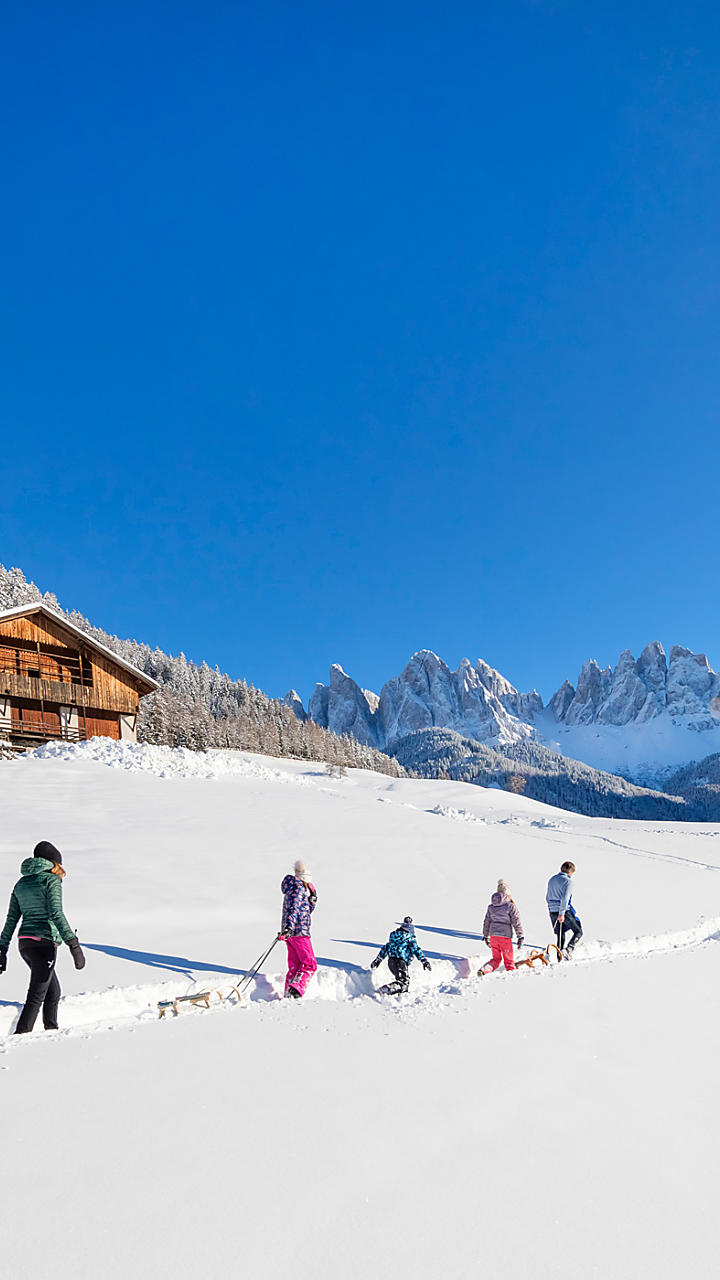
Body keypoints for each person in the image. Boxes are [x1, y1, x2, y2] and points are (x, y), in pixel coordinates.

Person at [0, 840, 85, 1034]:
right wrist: (74, 945)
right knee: (36, 995)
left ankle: (51, 1031)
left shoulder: (20, 883)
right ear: (54, 863)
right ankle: (20, 1036)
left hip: (25, 945)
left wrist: (2, 948)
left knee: (53, 991)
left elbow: (12, 919)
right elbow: (56, 912)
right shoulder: (51, 881)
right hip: (44, 943)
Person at [278, 859, 318, 998]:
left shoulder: (293, 889)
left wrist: (312, 899)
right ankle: (296, 992)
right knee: (310, 964)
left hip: (291, 933)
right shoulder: (299, 888)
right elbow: (294, 910)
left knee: (295, 965)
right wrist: (289, 927)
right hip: (299, 932)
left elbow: (303, 911)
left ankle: (288, 992)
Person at [370, 916, 431, 994]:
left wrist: (378, 960)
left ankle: (398, 995)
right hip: (401, 962)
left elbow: (385, 948)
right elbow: (416, 950)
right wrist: (424, 961)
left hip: (391, 963)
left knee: (402, 982)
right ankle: (386, 989)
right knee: (404, 983)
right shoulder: (410, 938)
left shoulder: (393, 937)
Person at [479, 879, 524, 975]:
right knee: (508, 961)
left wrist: (486, 935)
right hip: (505, 938)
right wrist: (520, 936)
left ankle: (483, 970)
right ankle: (511, 979)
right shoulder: (510, 906)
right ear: (507, 894)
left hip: (493, 937)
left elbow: (486, 922)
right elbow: (516, 921)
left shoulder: (491, 907)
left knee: (496, 959)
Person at [546, 861, 583, 958]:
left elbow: (547, 896)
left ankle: (560, 957)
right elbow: (565, 898)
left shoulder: (552, 879)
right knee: (578, 931)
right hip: (563, 911)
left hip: (552, 910)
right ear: (570, 871)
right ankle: (569, 949)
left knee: (560, 934)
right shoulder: (568, 881)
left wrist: (551, 908)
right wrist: (561, 913)